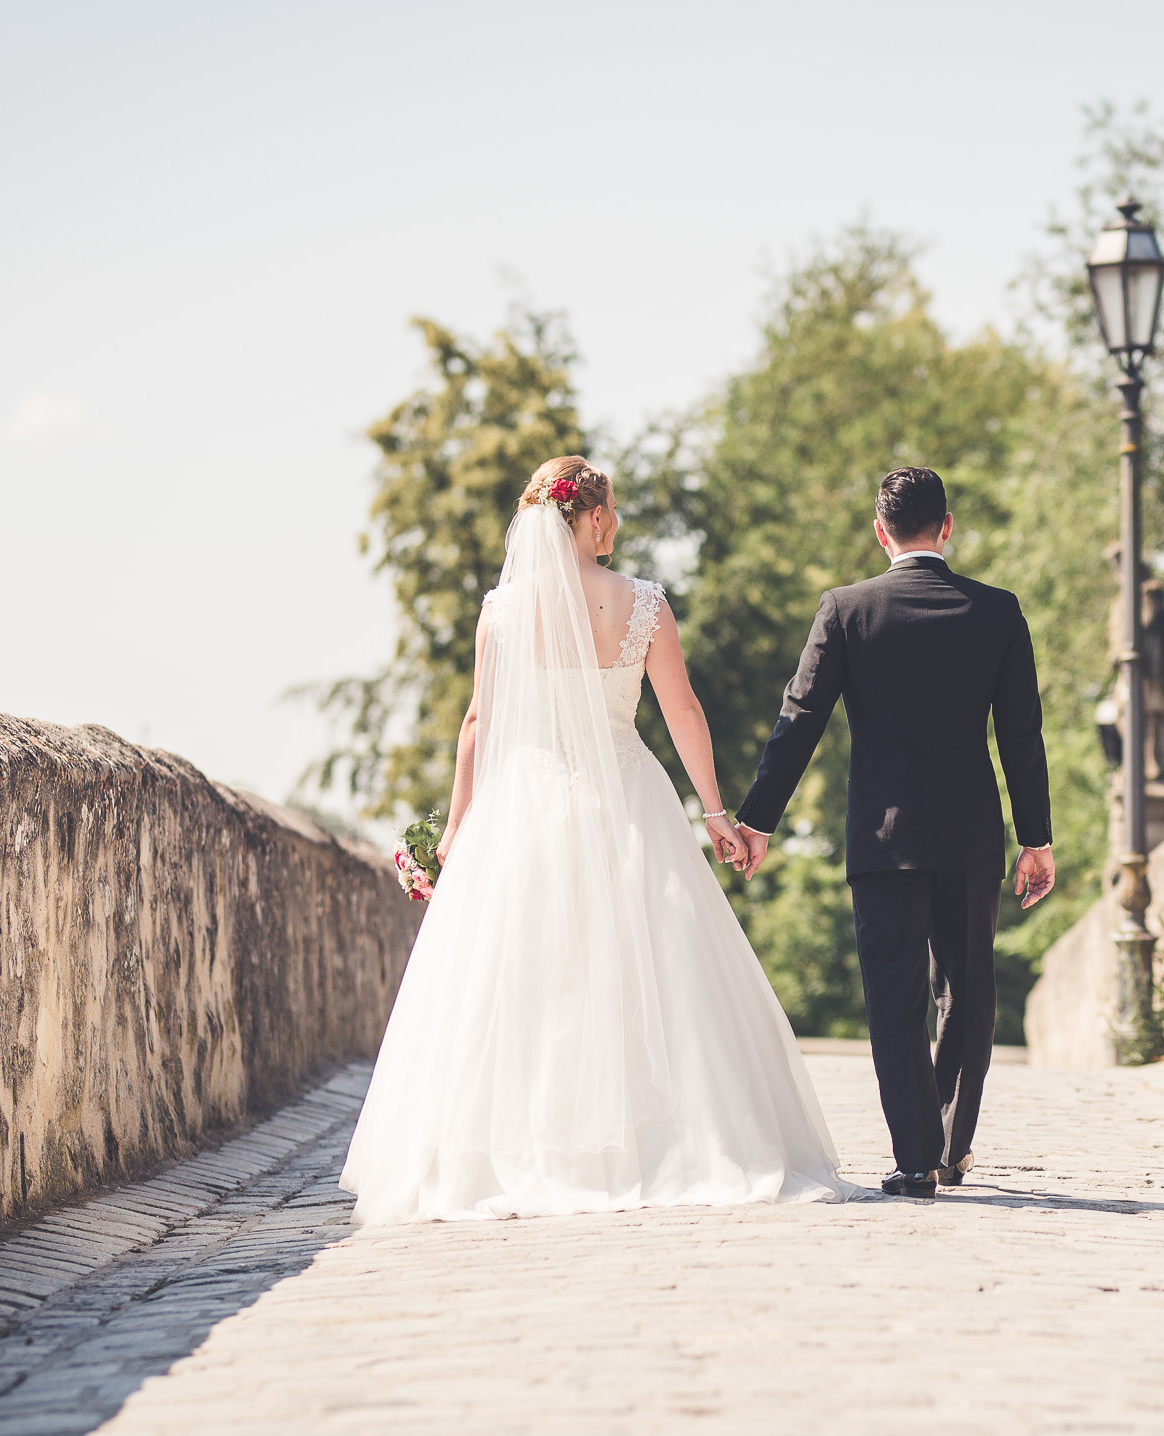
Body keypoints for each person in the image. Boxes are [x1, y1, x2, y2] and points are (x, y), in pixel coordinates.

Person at [340, 457, 849, 1224]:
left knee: (527, 974)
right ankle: (672, 1141)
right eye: (613, 510)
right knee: (649, 962)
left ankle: (526, 1147)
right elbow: (682, 711)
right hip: (626, 789)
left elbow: (477, 723)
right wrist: (716, 815)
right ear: (596, 516)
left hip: (524, 797)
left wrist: (455, 828)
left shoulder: (502, 609)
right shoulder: (642, 603)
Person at [734, 467, 1055, 1200]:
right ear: (948, 526)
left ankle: (915, 1158)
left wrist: (758, 818)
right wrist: (1035, 837)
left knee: (894, 998)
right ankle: (950, 1142)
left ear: (881, 533)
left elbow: (798, 721)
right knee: (969, 995)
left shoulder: (846, 610)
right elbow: (1022, 736)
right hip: (970, 838)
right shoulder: (998, 612)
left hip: (881, 842)